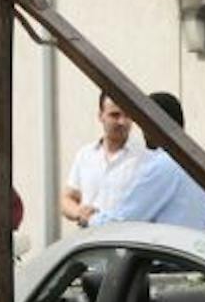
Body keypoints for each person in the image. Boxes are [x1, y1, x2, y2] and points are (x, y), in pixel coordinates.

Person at [88, 91, 205, 232]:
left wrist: (91, 219)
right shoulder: (203, 164)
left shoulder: (163, 165)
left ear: (154, 123)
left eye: (143, 122)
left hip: (168, 251)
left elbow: (124, 221)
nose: (142, 130)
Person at [61, 90, 144, 230]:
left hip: (126, 243)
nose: (122, 122)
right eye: (115, 115)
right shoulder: (85, 155)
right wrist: (79, 213)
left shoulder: (144, 158)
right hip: (90, 243)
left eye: (127, 115)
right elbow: (67, 198)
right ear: (100, 116)